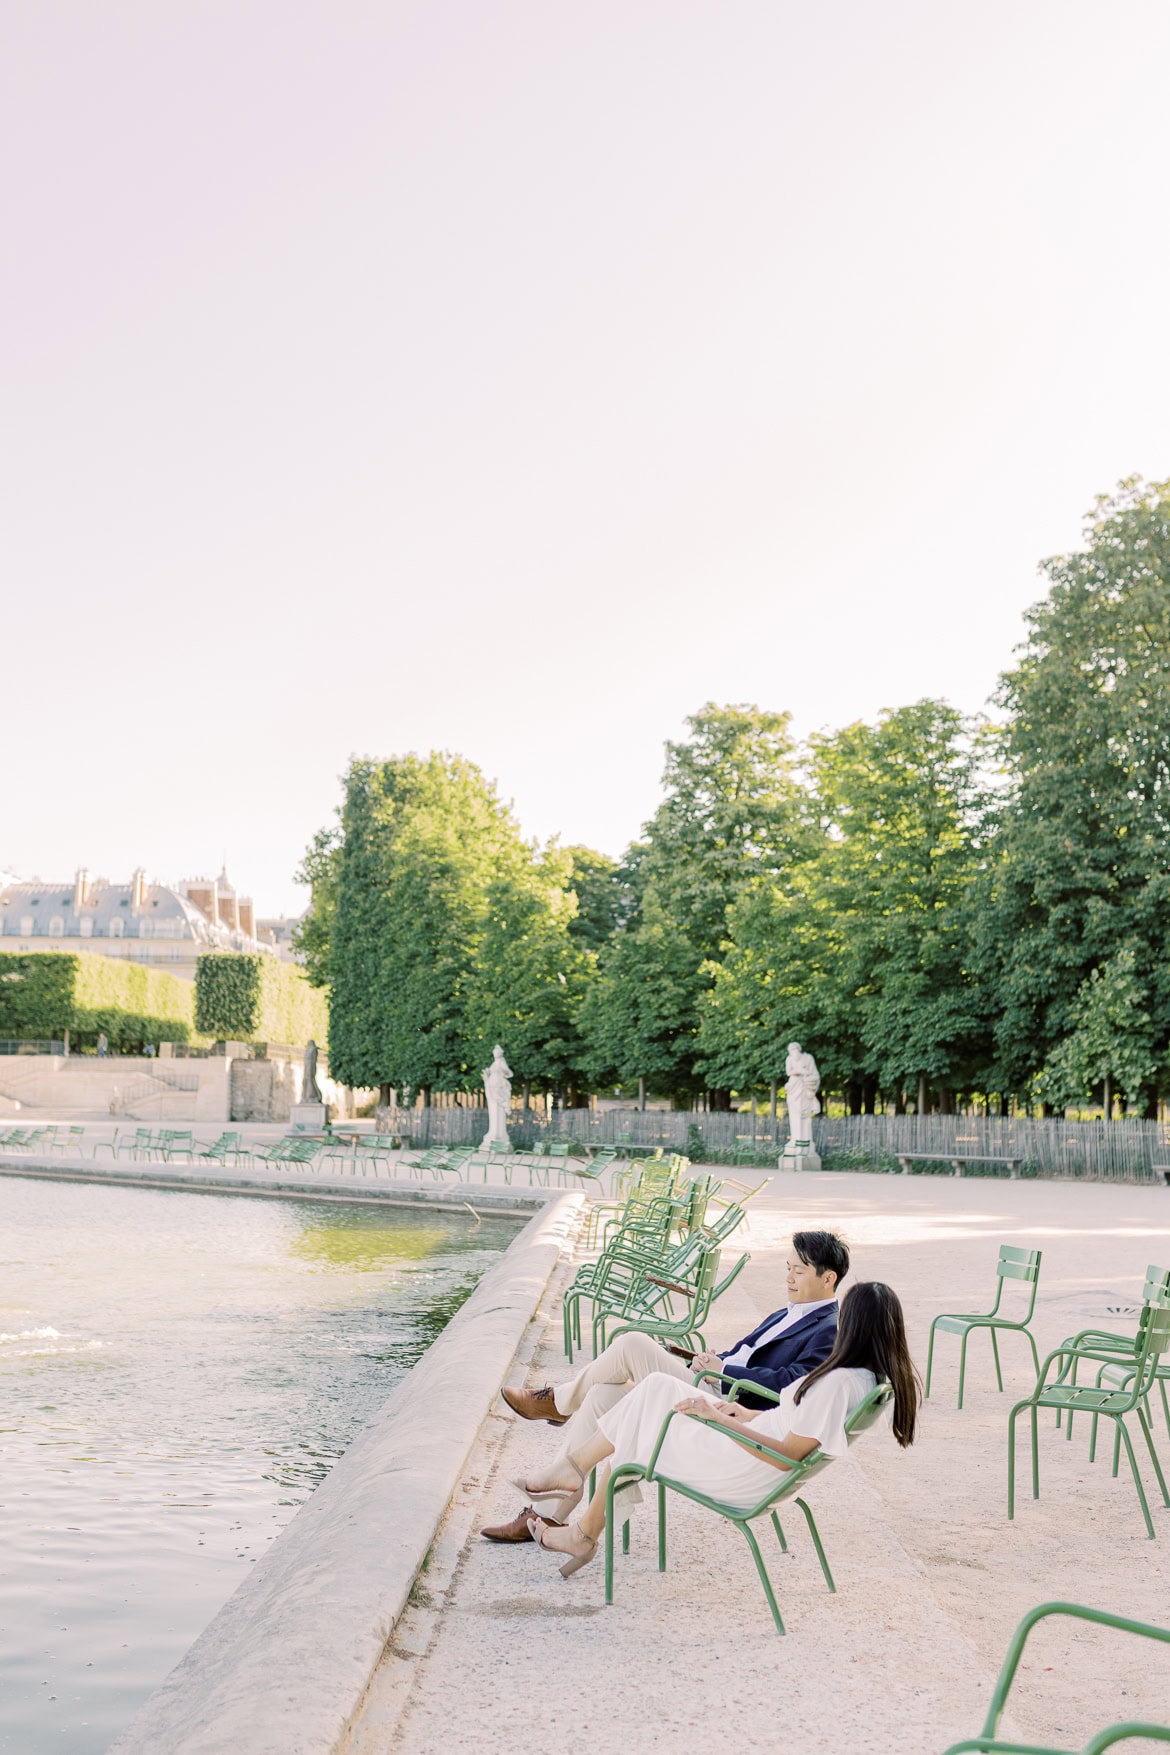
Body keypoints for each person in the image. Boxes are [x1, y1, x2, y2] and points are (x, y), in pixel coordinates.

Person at [526, 1280, 919, 1576]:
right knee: (643, 1403)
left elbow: (785, 1456)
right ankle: (578, 1506)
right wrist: (744, 1414)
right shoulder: (862, 1379)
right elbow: (794, 1427)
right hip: (748, 1447)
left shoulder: (838, 1384)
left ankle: (576, 1495)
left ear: (853, 1324)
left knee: (649, 1401)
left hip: (746, 1470)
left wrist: (716, 1418)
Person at [481, 1230, 848, 1542]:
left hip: (727, 1408)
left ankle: (559, 1403)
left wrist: (725, 1371)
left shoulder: (827, 1330)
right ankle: (546, 1515)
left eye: (798, 1271)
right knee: (602, 1395)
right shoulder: (787, 1311)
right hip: (712, 1382)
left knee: (632, 1343)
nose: (789, 1277)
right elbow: (747, 1353)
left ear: (827, 1278)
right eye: (788, 1268)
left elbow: (791, 1386)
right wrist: (712, 1360)